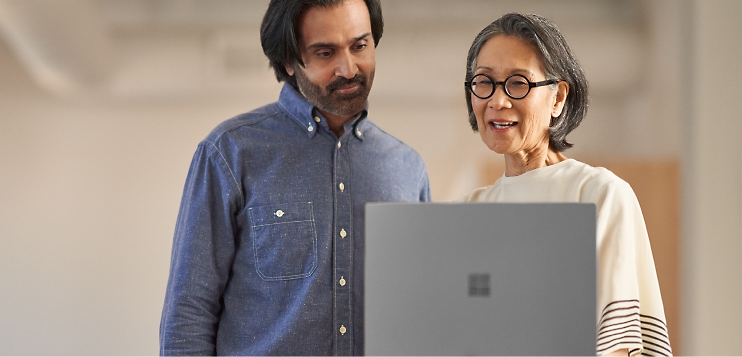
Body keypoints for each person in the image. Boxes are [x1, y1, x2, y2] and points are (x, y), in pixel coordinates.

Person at [159, 0, 431, 355]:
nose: (349, 68)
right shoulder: (230, 152)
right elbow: (188, 314)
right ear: (288, 61)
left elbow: (423, 311)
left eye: (360, 45)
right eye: (325, 52)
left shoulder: (408, 167)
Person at [461, 13, 671, 357]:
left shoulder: (598, 195)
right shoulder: (466, 212)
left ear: (557, 98)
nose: (497, 101)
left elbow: (618, 347)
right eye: (484, 82)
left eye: (518, 83)